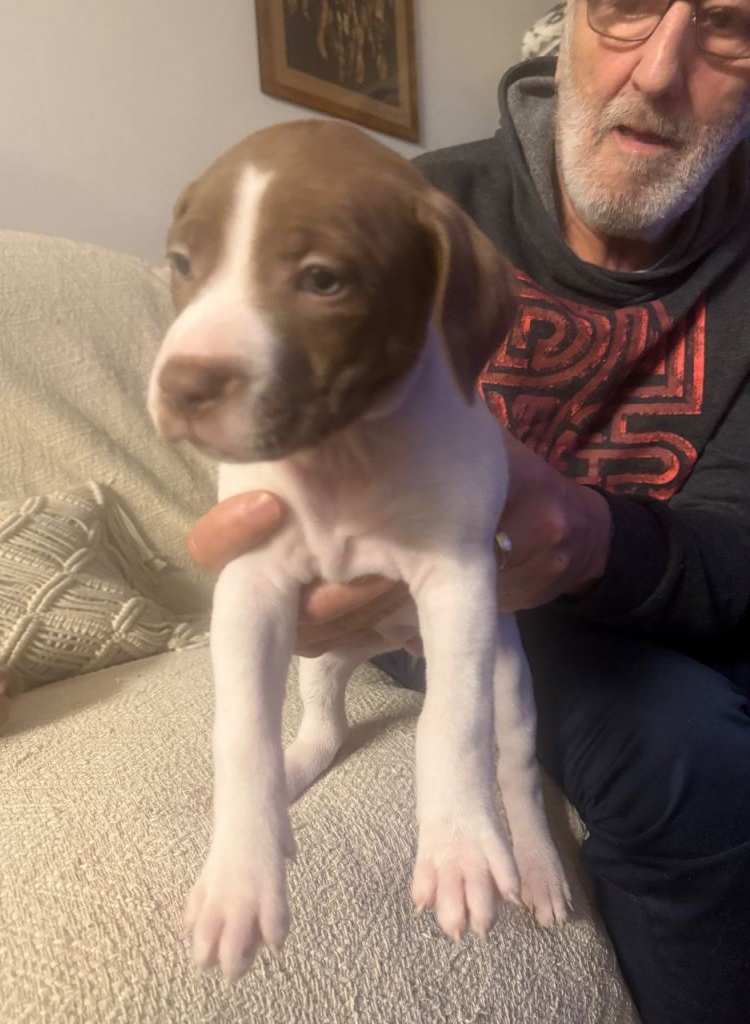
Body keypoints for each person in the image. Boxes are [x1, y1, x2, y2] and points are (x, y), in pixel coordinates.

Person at [186, 2, 750, 1020]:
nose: (659, 69)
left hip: (654, 590)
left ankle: (523, 810)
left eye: (730, 25)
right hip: (445, 583)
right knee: (678, 746)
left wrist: (583, 535)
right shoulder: (407, 204)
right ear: (566, 20)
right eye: (627, 4)